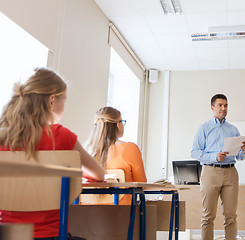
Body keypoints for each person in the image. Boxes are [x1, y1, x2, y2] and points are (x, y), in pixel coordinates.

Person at [0, 68, 105, 240]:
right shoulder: (61, 136)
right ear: (51, 101)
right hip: (52, 236)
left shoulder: (2, 138)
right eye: (63, 100)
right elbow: (98, 173)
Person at [191, 94, 245, 240]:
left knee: (231, 216)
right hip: (210, 172)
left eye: (226, 105)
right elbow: (194, 152)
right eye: (220, 105)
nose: (223, 108)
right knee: (208, 216)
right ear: (212, 108)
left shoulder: (233, 129)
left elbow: (239, 156)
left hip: (230, 172)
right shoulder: (203, 128)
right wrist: (214, 157)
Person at [86, 106, 147, 204]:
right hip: (121, 214)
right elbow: (142, 184)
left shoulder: (87, 151)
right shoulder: (130, 149)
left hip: (86, 214)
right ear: (118, 125)